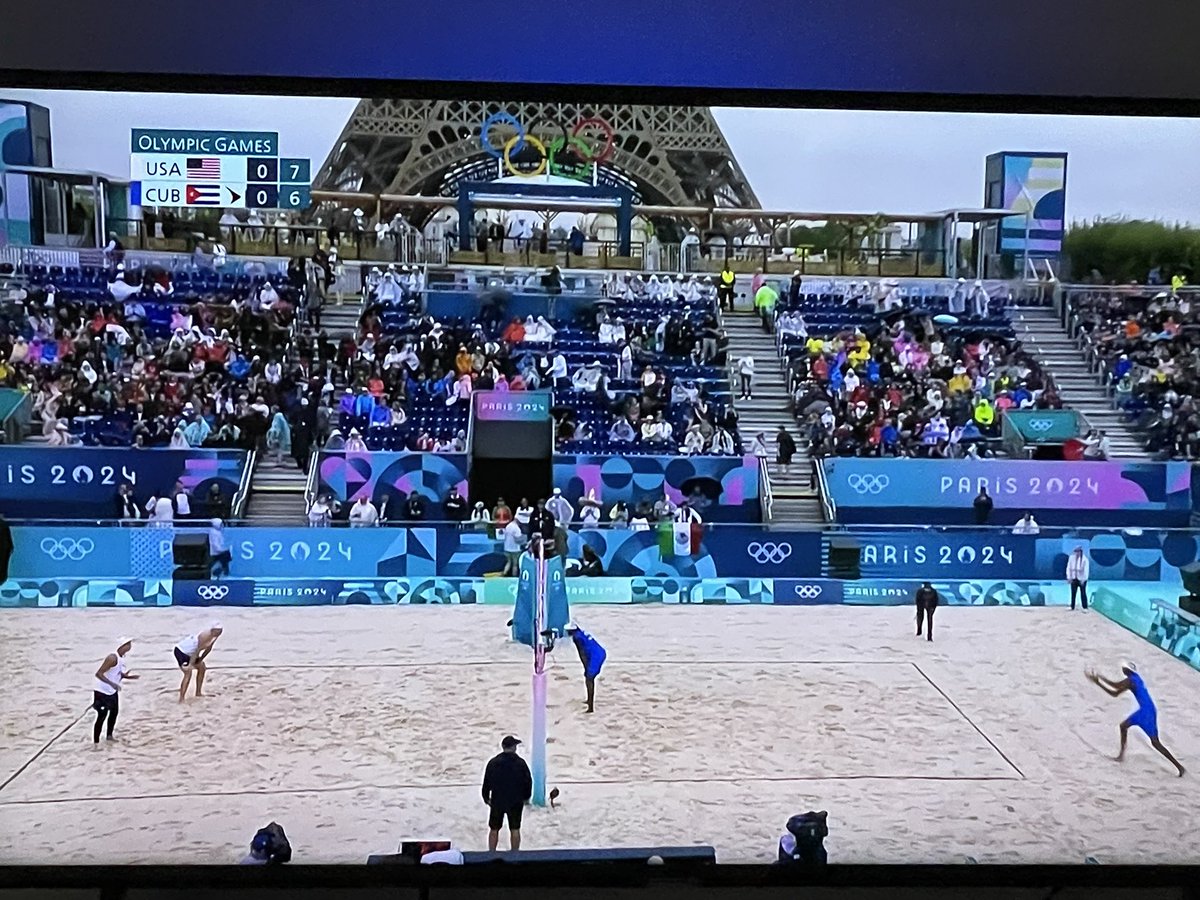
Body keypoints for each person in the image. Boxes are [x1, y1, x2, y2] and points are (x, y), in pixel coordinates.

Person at [1087, 662, 1184, 776]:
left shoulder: (1130, 681)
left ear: (1127, 670)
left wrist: (1099, 680)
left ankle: (1178, 766)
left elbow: (1115, 687)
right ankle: (1121, 755)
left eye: (1123, 668)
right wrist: (1099, 681)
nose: (1122, 669)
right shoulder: (1135, 678)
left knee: (1155, 742)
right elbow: (1115, 693)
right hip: (1148, 710)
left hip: (1146, 712)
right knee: (1125, 727)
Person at [482, 735, 533, 851]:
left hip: (497, 800)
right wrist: (526, 797)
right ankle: (514, 853)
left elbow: (487, 782)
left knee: (494, 828)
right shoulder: (521, 763)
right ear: (514, 747)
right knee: (515, 829)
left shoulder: (493, 762)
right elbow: (528, 782)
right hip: (515, 801)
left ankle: (491, 852)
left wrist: (486, 797)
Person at [93, 638, 137, 745]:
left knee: (114, 713)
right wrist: (112, 684)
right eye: (127, 644)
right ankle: (96, 742)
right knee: (102, 716)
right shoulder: (112, 658)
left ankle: (109, 736)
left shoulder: (121, 658)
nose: (129, 647)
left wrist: (125, 676)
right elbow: (99, 674)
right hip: (102, 692)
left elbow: (116, 672)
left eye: (130, 644)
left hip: (112, 691)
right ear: (121, 646)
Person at [174, 623, 223, 703]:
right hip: (182, 651)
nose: (219, 633)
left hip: (191, 654)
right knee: (188, 673)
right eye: (218, 631)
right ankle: (181, 699)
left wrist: (201, 659)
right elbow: (196, 651)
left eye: (220, 631)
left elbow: (208, 649)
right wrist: (190, 664)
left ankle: (198, 692)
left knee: (202, 667)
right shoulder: (205, 636)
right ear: (212, 630)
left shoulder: (214, 636)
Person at [565, 622, 606, 713]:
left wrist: (586, 667)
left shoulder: (577, 638)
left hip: (595, 656)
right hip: (599, 652)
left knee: (589, 679)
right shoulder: (581, 633)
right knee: (589, 678)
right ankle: (589, 700)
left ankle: (590, 707)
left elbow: (582, 653)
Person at [1067, 546, 1090, 611]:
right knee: (1073, 593)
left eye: (1078, 551)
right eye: (1076, 552)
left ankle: (1085, 607)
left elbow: (1086, 571)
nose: (1077, 553)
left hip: (1081, 578)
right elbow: (1068, 568)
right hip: (1074, 578)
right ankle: (1072, 606)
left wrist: (1084, 579)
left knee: (1083, 593)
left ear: (1080, 552)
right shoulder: (1071, 558)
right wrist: (1069, 577)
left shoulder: (1085, 559)